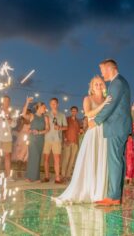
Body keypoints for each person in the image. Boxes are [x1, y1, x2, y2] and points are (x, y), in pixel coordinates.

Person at [55, 76, 111, 204]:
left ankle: (101, 191)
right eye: (95, 84)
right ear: (91, 87)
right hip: (93, 132)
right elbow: (88, 114)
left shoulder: (107, 99)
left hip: (105, 133)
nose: (98, 85)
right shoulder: (88, 99)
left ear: (104, 86)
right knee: (91, 160)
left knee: (102, 160)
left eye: (100, 83)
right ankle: (90, 190)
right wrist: (104, 104)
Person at [89, 59, 132, 206]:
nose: (102, 74)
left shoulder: (117, 83)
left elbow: (110, 105)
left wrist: (96, 120)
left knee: (114, 161)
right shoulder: (120, 82)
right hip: (120, 127)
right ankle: (116, 195)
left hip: (116, 127)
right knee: (118, 160)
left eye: (102, 71)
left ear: (110, 69)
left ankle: (113, 197)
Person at [22, 98, 49, 182]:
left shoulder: (46, 117)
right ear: (39, 107)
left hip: (41, 139)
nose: (45, 108)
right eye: (44, 107)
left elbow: (47, 129)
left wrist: (39, 132)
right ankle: (29, 177)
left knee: (38, 157)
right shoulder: (32, 115)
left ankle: (36, 177)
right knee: (33, 156)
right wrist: (27, 102)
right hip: (32, 139)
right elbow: (23, 114)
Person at [0, 95, 17, 180]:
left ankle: (8, 176)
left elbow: (14, 124)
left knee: (7, 156)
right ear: (2, 102)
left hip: (7, 138)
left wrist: (9, 119)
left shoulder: (12, 113)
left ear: (9, 102)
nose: (6, 102)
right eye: (4, 101)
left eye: (7, 101)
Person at [42, 98, 68, 184]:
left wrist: (60, 128)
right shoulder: (46, 114)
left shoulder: (62, 115)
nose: (53, 105)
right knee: (46, 158)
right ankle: (46, 176)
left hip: (57, 139)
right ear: (50, 104)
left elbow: (66, 127)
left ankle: (57, 178)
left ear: (58, 104)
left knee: (57, 159)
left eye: (55, 103)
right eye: (52, 103)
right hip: (47, 139)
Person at [62, 106, 81, 181]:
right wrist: (65, 139)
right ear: (71, 111)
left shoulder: (78, 121)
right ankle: (63, 175)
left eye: (75, 111)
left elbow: (79, 131)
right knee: (66, 159)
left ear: (77, 112)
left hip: (75, 142)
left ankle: (68, 175)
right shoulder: (67, 119)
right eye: (72, 111)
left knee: (72, 160)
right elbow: (63, 130)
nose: (74, 112)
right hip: (68, 142)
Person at [12, 110, 31, 178]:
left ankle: (27, 172)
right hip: (21, 139)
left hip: (28, 139)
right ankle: (18, 172)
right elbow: (18, 129)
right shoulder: (21, 121)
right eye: (26, 114)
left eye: (28, 114)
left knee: (27, 156)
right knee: (20, 156)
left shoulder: (31, 121)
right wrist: (22, 123)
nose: (27, 115)